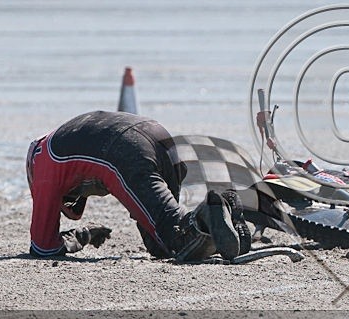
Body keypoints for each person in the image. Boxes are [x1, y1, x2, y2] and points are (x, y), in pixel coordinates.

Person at [26, 110, 250, 261]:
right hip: (157, 134)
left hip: (122, 148)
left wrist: (82, 235)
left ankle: (211, 209)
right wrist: (87, 234)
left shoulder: (43, 163)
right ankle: (226, 208)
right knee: (160, 246)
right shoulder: (62, 139)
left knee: (178, 237)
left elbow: (43, 247)